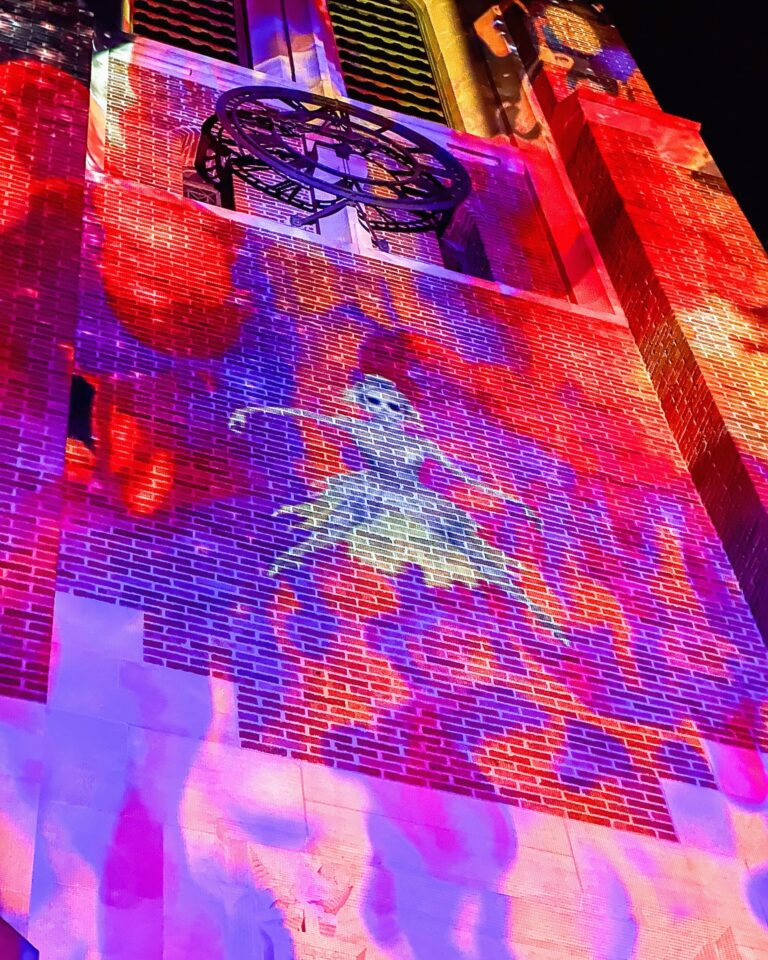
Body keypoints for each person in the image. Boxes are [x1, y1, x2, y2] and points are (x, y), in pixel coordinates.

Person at [231, 374, 567, 644]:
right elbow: (306, 414)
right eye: (374, 402)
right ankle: (285, 562)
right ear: (363, 404)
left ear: (403, 409)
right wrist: (249, 411)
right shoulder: (359, 427)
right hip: (373, 488)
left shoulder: (422, 443)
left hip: (417, 498)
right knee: (335, 529)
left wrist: (512, 501)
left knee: (470, 547)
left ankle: (535, 609)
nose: (383, 410)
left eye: (392, 405)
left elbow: (464, 476)